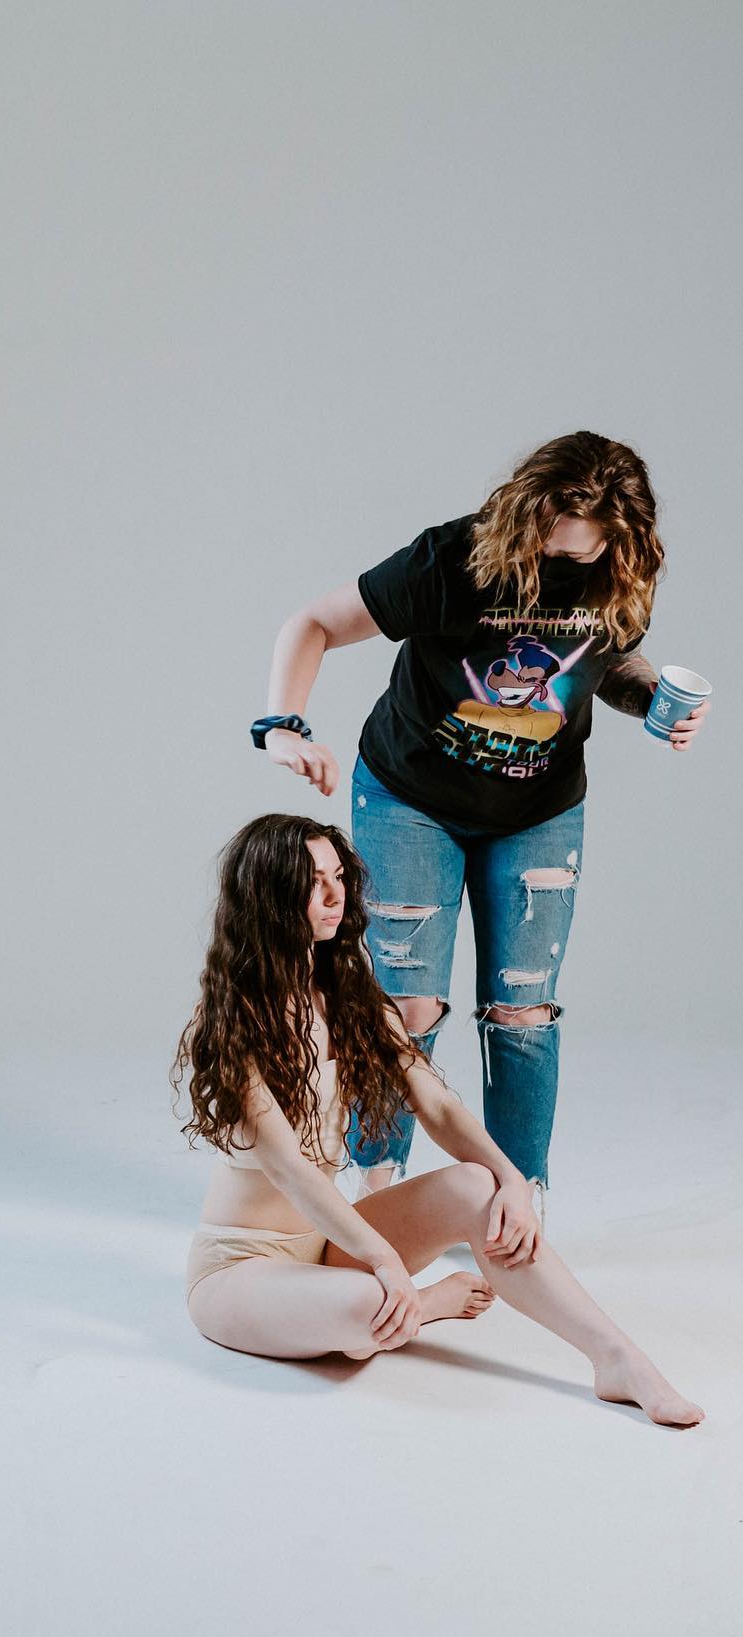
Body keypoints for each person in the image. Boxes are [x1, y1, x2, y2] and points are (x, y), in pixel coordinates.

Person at [255, 430, 710, 1201]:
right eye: (541, 542)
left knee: (523, 1012)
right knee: (406, 1006)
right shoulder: (452, 559)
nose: (550, 563)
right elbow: (315, 622)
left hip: (538, 812)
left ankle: (517, 1203)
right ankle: (377, 1189)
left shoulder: (623, 574)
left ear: (617, 542)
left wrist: (651, 700)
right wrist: (282, 726)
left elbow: (607, 660)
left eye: (572, 556)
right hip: (410, 798)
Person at [173, 814, 702, 1428]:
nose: (335, 895)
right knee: (368, 1302)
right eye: (314, 882)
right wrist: (387, 1263)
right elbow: (292, 1172)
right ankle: (423, 1306)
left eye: (339, 877)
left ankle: (617, 1359)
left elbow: (440, 1106)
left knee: (478, 1186)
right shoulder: (233, 1021)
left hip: (327, 1246)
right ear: (269, 894)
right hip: (240, 1270)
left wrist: (512, 1181)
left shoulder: (351, 1001)